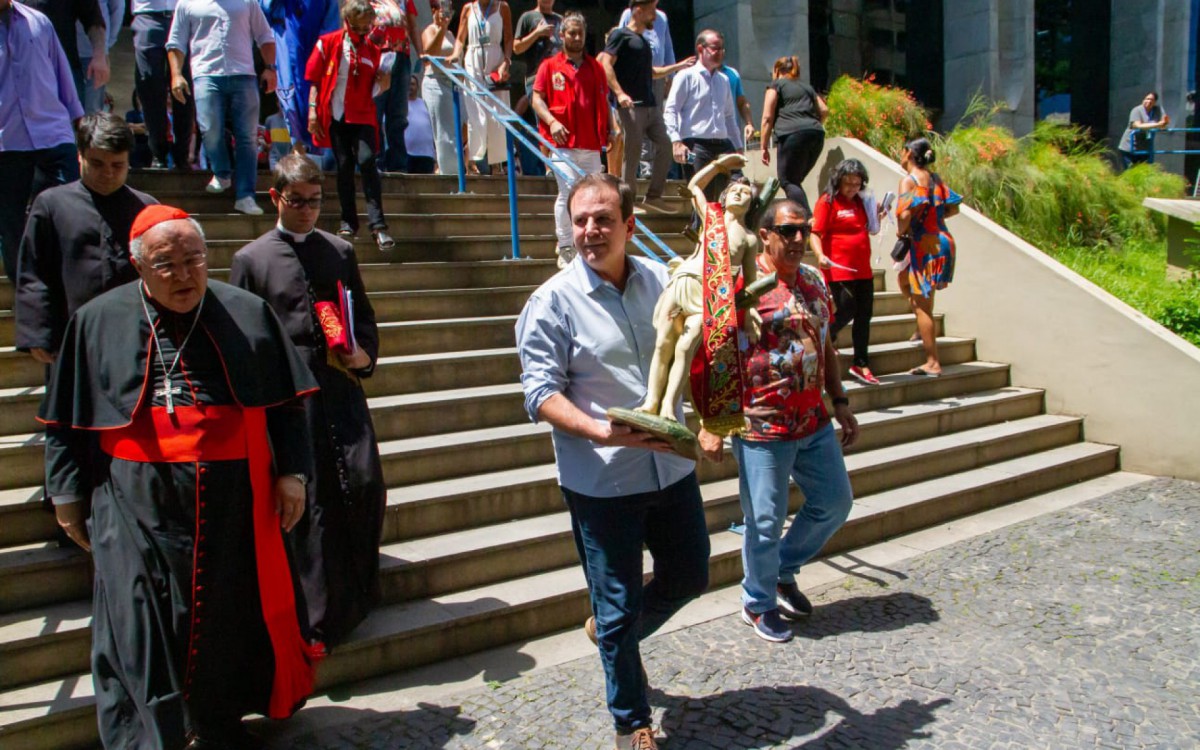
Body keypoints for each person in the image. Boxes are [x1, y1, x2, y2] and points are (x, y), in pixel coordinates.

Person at [41, 204, 321, 748]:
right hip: (133, 499)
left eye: (194, 260)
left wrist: (295, 475)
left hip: (230, 498)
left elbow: (288, 404)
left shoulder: (246, 311)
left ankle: (214, 723)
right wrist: (66, 491)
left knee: (222, 619)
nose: (185, 275)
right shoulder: (97, 319)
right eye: (166, 264)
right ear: (138, 265)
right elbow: (64, 420)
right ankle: (151, 737)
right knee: (138, 622)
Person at [516, 173, 713, 750]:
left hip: (670, 467)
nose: (590, 231)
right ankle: (633, 722)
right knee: (621, 604)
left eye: (603, 219)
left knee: (690, 574)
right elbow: (540, 394)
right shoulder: (551, 301)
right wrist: (603, 431)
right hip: (602, 481)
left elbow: (697, 349)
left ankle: (608, 630)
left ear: (630, 224)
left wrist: (712, 415)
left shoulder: (667, 281)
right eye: (580, 221)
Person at [230, 153, 386, 648]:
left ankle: (361, 590)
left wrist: (363, 354)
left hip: (340, 386)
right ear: (275, 198)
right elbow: (243, 337)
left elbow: (360, 312)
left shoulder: (339, 250)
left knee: (364, 484)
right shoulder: (251, 260)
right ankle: (316, 613)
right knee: (311, 503)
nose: (307, 211)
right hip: (289, 397)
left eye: (316, 202)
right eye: (296, 201)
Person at [734, 198, 859, 644]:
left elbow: (825, 345)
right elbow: (715, 356)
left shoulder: (813, 280)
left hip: (812, 419)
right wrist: (712, 422)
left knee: (835, 502)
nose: (799, 239)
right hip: (761, 426)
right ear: (764, 235)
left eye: (804, 230)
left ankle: (782, 568)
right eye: (788, 231)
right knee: (764, 519)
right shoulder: (744, 285)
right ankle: (758, 601)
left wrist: (839, 398)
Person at [15, 113, 158, 365]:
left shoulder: (147, 208)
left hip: (134, 335)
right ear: (80, 156)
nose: (108, 174)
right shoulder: (51, 205)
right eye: (97, 164)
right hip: (71, 334)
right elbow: (34, 271)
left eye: (118, 165)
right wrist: (37, 332)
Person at [0, 0, 84, 283]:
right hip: (6, 142)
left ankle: (68, 279)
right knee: (11, 221)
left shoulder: (39, 22)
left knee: (71, 206)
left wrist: (78, 121)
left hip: (53, 133)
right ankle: (23, 286)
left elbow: (61, 69)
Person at [167, 0, 278, 215]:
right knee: (210, 129)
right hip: (206, 75)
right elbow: (175, 42)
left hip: (244, 75)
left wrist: (270, 68)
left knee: (247, 137)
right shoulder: (187, 3)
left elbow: (265, 36)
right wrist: (176, 74)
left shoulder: (247, 2)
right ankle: (222, 173)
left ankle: (246, 195)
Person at [305, 0, 396, 250]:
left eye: (369, 23)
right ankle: (348, 222)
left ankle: (378, 226)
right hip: (337, 115)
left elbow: (376, 86)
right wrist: (312, 111)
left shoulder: (373, 50)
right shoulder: (328, 42)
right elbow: (314, 79)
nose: (367, 28)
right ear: (350, 21)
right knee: (344, 166)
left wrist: (384, 84)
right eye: (363, 24)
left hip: (364, 115)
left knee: (367, 161)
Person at [531, 11, 618, 268]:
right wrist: (552, 121)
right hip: (562, 144)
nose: (577, 37)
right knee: (568, 192)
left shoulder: (595, 67)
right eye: (572, 33)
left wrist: (611, 129)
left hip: (591, 143)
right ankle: (566, 245)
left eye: (580, 33)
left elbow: (604, 101)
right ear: (562, 35)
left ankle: (587, 242)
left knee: (591, 196)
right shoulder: (549, 66)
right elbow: (537, 99)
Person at [599, 0, 691, 207]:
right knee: (632, 154)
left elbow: (652, 72)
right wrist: (620, 93)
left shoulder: (642, 41)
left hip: (650, 105)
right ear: (638, 10)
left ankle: (653, 196)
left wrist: (677, 66)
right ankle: (627, 203)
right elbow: (605, 64)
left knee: (666, 146)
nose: (655, 17)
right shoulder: (619, 35)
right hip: (631, 107)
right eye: (651, 11)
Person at [811, 158, 882, 385]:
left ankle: (861, 363)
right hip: (839, 268)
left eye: (857, 183)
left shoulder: (861, 202)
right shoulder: (828, 201)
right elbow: (815, 232)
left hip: (863, 269)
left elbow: (871, 230)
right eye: (848, 183)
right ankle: (823, 339)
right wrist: (820, 255)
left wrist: (877, 215)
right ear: (839, 181)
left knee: (864, 314)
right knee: (846, 309)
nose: (852, 188)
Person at [896, 137, 961, 377]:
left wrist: (904, 228)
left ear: (908, 153)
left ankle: (932, 361)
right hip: (944, 240)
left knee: (922, 304)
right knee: (906, 282)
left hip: (925, 245)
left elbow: (903, 216)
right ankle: (920, 328)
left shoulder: (909, 180)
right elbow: (954, 207)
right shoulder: (935, 179)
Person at [663, 29, 742, 200]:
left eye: (721, 49)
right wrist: (676, 141)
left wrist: (739, 147)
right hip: (696, 146)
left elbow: (729, 117)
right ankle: (699, 227)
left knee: (739, 186)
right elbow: (670, 110)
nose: (719, 53)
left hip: (722, 145)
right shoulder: (686, 76)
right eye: (715, 48)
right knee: (702, 199)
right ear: (700, 49)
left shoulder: (724, 80)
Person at [261, 0, 340, 156]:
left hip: (315, 48)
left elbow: (331, 27)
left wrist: (323, 53)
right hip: (285, 47)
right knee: (291, 106)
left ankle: (316, 159)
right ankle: (298, 154)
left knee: (317, 106)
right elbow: (264, 12)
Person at [130, 0, 196, 170]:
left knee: (185, 88)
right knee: (150, 87)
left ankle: (182, 155)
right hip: (147, 16)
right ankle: (158, 152)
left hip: (182, 15)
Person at [759, 55, 827, 213]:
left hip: (791, 135)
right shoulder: (806, 87)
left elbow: (767, 118)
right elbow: (824, 110)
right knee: (795, 181)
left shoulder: (776, 85)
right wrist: (812, 124)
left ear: (777, 70)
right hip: (816, 134)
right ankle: (801, 219)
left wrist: (763, 146)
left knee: (788, 181)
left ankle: (808, 221)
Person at [616, 2, 676, 181]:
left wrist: (670, 76)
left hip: (656, 75)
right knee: (636, 128)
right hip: (634, 79)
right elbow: (621, 44)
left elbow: (667, 46)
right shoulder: (629, 14)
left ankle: (652, 170)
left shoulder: (662, 17)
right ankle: (641, 169)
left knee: (654, 123)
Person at [455, 0, 513, 173]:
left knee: (497, 112)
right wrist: (454, 55)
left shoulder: (503, 7)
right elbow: (460, 39)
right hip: (473, 59)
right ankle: (472, 158)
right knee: (475, 111)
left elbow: (509, 39)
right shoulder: (467, 8)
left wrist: (506, 63)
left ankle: (497, 162)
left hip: (495, 58)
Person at [22, 0, 109, 107]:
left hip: (65, 71)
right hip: (20, 71)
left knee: (73, 120)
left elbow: (93, 19)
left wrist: (99, 56)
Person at [370, 0, 422, 173]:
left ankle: (398, 165)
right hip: (377, 57)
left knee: (398, 114)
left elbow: (413, 26)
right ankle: (376, 162)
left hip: (401, 57)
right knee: (375, 112)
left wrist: (421, 54)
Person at [420, 1, 464, 175]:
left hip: (453, 85)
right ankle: (449, 175)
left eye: (449, 9)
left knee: (457, 131)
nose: (447, 13)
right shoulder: (429, 30)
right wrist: (442, 28)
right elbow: (429, 54)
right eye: (443, 9)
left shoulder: (452, 34)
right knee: (444, 134)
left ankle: (456, 171)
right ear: (434, 10)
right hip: (436, 84)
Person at [74, 0, 122, 113]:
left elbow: (118, 9)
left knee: (94, 111)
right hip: (66, 51)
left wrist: (108, 43)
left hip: (95, 54)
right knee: (72, 110)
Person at [1118, 91, 1170, 170]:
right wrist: (1158, 124)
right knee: (1131, 173)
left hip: (1145, 148)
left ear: (1155, 102)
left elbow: (1164, 124)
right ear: (1143, 100)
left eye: (1151, 100)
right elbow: (1138, 125)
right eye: (1147, 99)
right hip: (1129, 148)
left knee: (1143, 173)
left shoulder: (1158, 110)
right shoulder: (1137, 110)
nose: (1148, 101)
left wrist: (1164, 123)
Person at [404, 73, 437, 174]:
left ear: (418, 87)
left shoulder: (424, 103)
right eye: (408, 84)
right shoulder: (400, 105)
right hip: (407, 154)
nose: (410, 87)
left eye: (413, 84)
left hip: (426, 154)